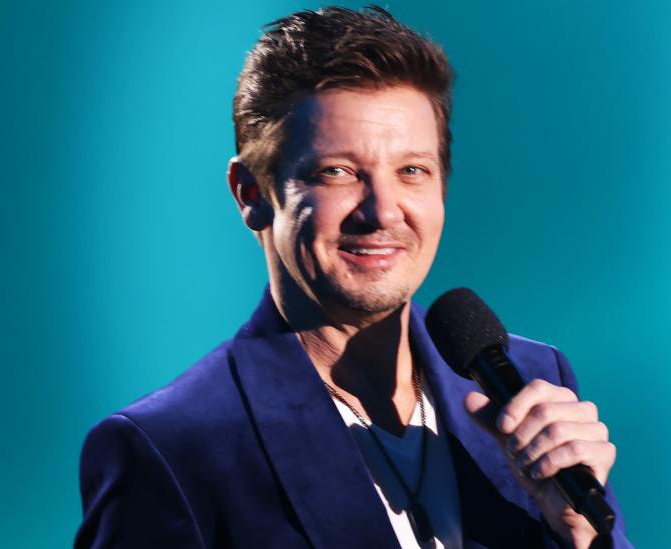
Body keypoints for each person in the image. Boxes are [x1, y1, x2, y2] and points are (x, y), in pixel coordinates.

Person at [75, 6, 633, 549]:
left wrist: (580, 536)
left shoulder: (532, 385)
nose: (383, 212)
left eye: (411, 170)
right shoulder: (171, 448)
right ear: (251, 194)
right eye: (336, 172)